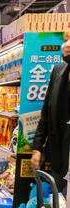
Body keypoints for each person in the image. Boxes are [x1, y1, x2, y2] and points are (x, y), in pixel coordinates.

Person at [32, 30, 70, 193]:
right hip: (58, 159)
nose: (66, 45)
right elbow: (46, 113)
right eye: (66, 39)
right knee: (58, 207)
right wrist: (37, 147)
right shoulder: (58, 71)